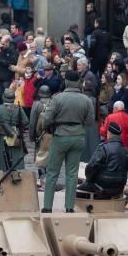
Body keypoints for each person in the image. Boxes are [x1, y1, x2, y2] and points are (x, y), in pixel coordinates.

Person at [41, 70, 95, 213]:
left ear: (66, 82)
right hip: (78, 136)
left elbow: (46, 119)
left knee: (52, 172)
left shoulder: (58, 98)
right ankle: (69, 206)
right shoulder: (86, 100)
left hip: (60, 135)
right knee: (72, 173)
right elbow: (90, 121)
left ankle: (47, 206)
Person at [77, 121, 128, 197]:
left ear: (108, 134)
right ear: (120, 135)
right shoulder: (126, 151)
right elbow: (126, 167)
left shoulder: (103, 148)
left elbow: (91, 167)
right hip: (119, 187)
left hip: (101, 186)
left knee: (77, 192)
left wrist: (89, 180)